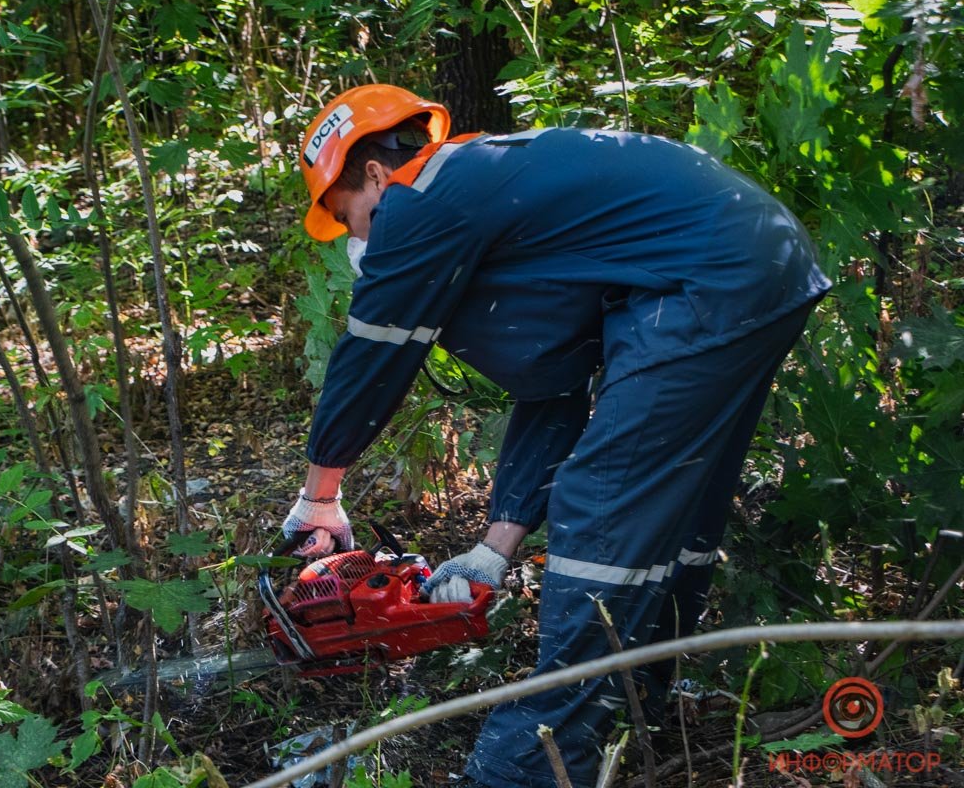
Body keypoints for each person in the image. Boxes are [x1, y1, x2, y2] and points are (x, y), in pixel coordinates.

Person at [279, 83, 832, 788]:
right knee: (677, 505)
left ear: (379, 175)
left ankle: (528, 767)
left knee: (601, 505)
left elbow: (373, 351)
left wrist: (320, 497)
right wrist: (493, 547)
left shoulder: (424, 197)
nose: (359, 241)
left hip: (709, 280)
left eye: (348, 218)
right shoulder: (505, 197)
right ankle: (639, 704)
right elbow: (557, 387)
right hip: (752, 263)